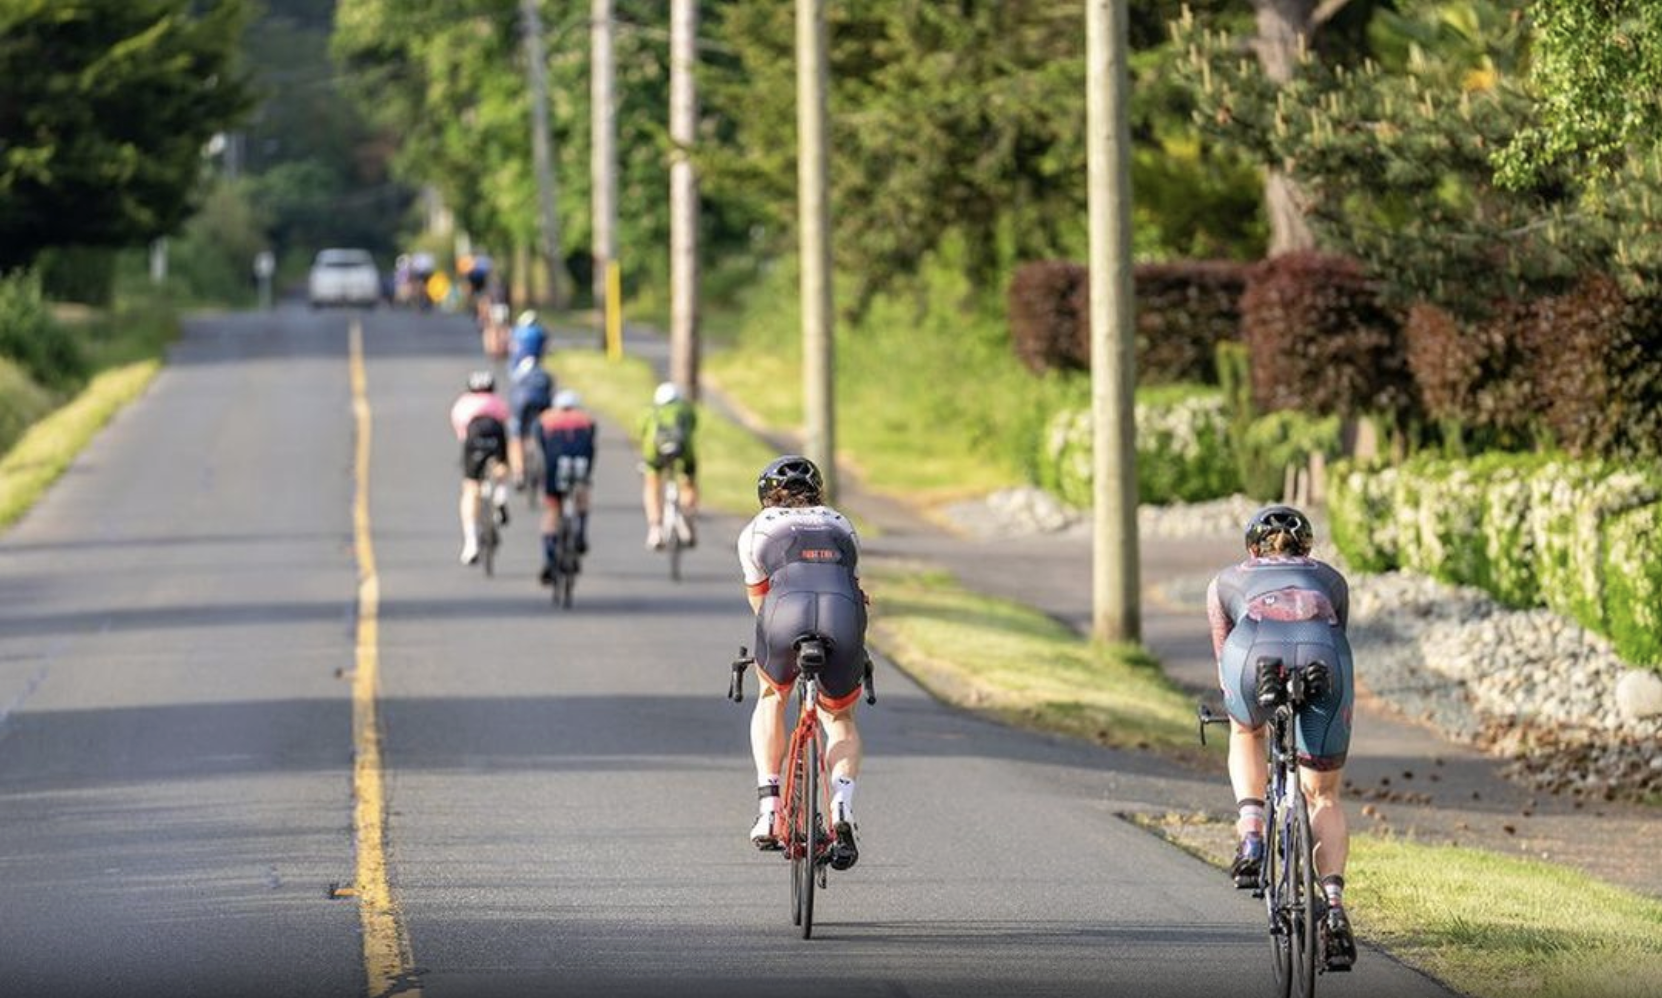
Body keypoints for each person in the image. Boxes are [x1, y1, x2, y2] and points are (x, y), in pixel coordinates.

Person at [1207, 505, 1358, 971]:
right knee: (1323, 794)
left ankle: (1252, 834)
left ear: (1252, 548)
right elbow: (1337, 632)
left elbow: (1222, 653)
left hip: (1253, 652)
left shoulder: (1225, 580)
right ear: (1307, 549)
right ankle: (1333, 907)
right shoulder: (1332, 579)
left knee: (1246, 729)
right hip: (1323, 656)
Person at [737, 456, 867, 871]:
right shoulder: (842, 523)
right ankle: (842, 808)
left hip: (785, 612)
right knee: (839, 716)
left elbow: (760, 603)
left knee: (772, 694)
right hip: (841, 611)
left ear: (766, 496)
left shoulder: (757, 529)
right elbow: (850, 580)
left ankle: (770, 807)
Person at [449, 371, 511, 565]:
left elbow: (460, 429)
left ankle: (471, 543)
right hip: (496, 434)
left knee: (471, 487)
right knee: (501, 467)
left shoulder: (463, 403)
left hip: (474, 441)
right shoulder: (497, 401)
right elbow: (506, 419)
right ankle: (501, 495)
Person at [536, 390, 597, 584]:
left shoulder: (546, 419)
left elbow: (542, 446)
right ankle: (580, 532)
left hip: (555, 466)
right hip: (580, 464)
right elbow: (591, 447)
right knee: (582, 494)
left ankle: (549, 557)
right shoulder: (587, 419)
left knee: (552, 509)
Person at [638, 381, 698, 550]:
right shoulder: (685, 409)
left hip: (655, 452)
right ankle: (687, 518)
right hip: (683, 451)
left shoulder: (650, 411)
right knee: (688, 482)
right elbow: (693, 427)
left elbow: (641, 430)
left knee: (652, 483)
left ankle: (655, 528)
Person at [507, 354, 555, 488]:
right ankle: (544, 463)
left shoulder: (518, 373)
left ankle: (518, 472)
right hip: (542, 404)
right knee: (541, 432)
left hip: (522, 404)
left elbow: (514, 396)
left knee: (515, 436)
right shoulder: (544, 374)